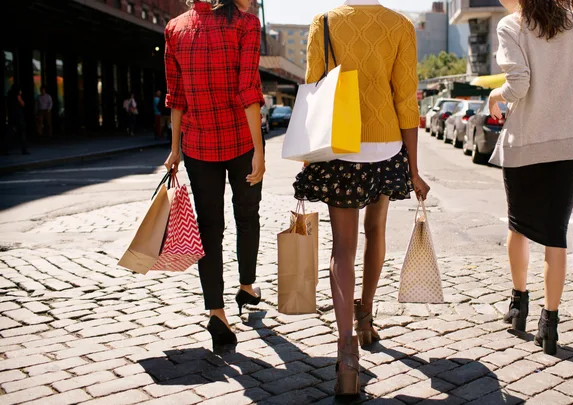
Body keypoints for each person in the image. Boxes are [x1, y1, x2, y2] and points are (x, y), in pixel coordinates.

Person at [293, 0, 430, 396]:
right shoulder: (401, 25)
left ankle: (347, 353)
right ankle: (366, 315)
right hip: (385, 148)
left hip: (340, 146)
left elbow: (312, 88)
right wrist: (415, 168)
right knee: (376, 230)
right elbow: (407, 100)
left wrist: (307, 159)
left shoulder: (323, 23)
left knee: (343, 248)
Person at [486, 0, 573, 354]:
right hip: (570, 146)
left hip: (524, 146)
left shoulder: (512, 25)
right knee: (556, 234)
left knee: (518, 226)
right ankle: (550, 323)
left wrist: (496, 95)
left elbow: (519, 84)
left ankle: (518, 305)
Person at [163, 0, 265, 354]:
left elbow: (176, 97)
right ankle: (247, 285)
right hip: (240, 140)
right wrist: (259, 150)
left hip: (197, 144)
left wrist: (175, 149)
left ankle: (217, 313)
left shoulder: (174, 28)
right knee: (248, 215)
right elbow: (248, 89)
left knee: (209, 227)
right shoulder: (245, 24)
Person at [6, 84, 29, 155]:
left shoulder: (9, 96)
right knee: (22, 133)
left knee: (10, 133)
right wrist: (20, 95)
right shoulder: (17, 96)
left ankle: (6, 149)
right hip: (18, 117)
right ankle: (24, 150)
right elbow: (23, 104)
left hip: (12, 117)